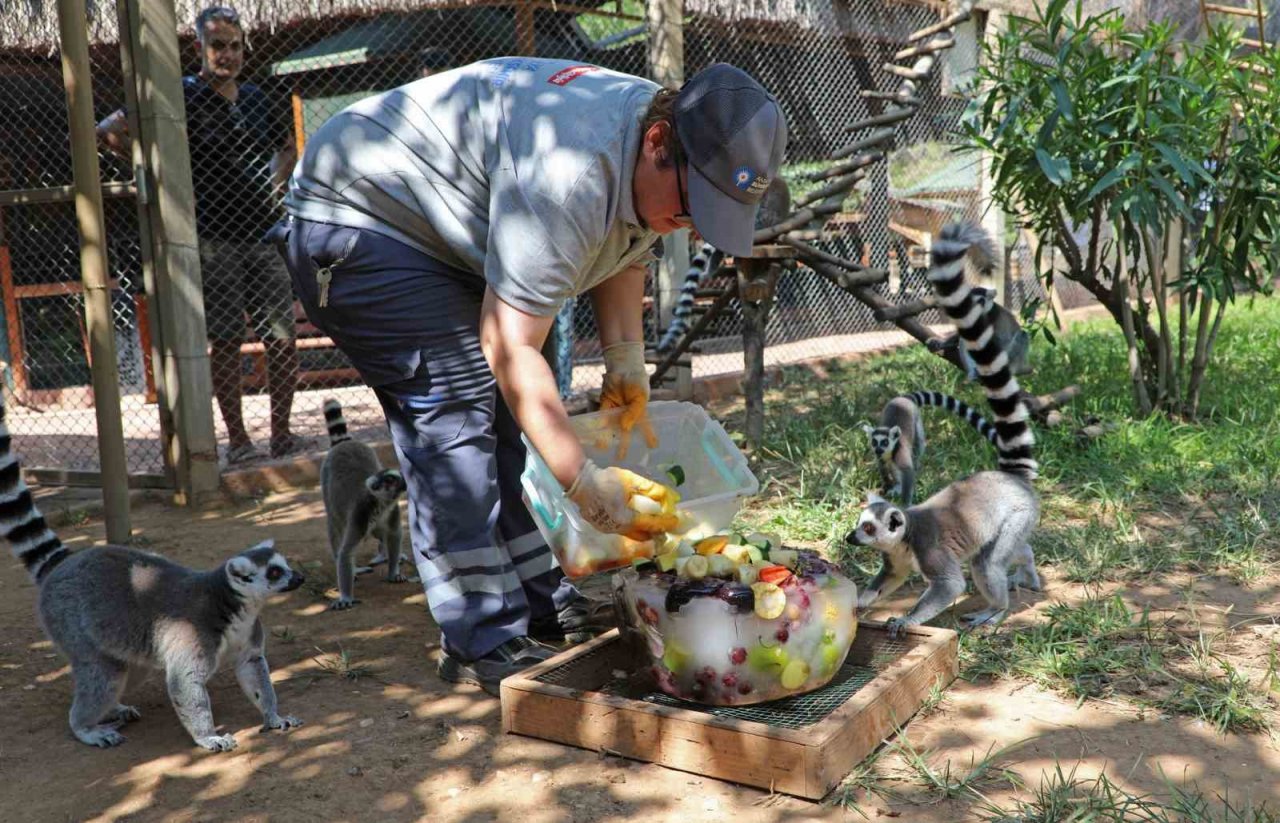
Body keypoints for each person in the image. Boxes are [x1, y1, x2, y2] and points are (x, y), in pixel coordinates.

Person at [279, 57, 787, 694]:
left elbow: (628, 242)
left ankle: (537, 599)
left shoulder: (650, 143)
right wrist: (583, 481)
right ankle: (480, 634)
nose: (688, 225)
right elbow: (511, 346)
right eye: (692, 206)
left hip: (442, 231)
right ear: (659, 144)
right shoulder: (569, 175)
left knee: (512, 416)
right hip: (356, 222)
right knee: (459, 408)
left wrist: (626, 358)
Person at [98, 5, 302, 463]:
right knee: (227, 339)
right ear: (199, 48)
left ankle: (284, 434)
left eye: (234, 46)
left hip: (263, 234)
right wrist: (162, 178)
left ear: (244, 48)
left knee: (281, 337)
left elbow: (286, 148)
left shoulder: (255, 97)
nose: (226, 55)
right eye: (217, 46)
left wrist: (276, 183)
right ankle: (240, 442)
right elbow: (109, 129)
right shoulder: (179, 94)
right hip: (212, 238)